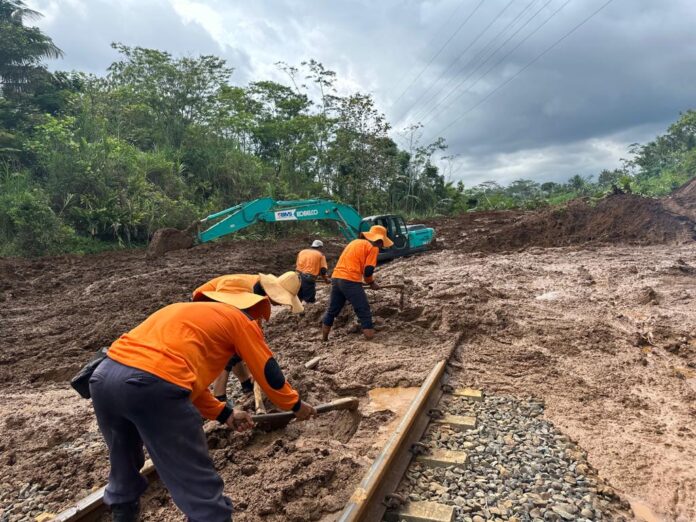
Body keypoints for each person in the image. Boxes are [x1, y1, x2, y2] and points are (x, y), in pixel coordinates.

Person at [89, 285, 315, 522]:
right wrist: (296, 405)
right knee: (195, 484)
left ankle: (123, 515)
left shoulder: (185, 313)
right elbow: (269, 373)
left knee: (123, 460)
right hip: (151, 387)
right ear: (251, 308)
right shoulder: (240, 320)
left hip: (104, 378)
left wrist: (224, 413)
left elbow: (181, 380)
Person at [191, 272, 303, 403]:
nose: (282, 304)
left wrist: (255, 369)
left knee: (236, 349)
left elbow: (255, 331)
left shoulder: (260, 290)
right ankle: (219, 397)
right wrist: (258, 369)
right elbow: (247, 337)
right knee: (228, 349)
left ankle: (246, 383)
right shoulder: (251, 290)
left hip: (220, 304)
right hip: (206, 302)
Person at [321, 225, 393, 342]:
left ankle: (324, 339)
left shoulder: (354, 242)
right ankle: (370, 339)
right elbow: (368, 270)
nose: (381, 246)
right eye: (381, 244)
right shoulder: (372, 247)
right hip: (350, 281)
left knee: (332, 310)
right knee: (363, 310)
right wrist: (371, 283)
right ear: (379, 240)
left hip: (336, 278)